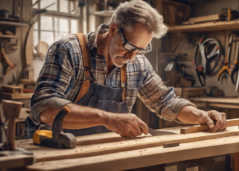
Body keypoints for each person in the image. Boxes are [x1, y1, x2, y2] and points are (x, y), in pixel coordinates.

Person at [23, 0, 226, 138]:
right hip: (52, 150)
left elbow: (165, 101)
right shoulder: (69, 50)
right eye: (129, 47)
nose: (131, 57)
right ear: (113, 29)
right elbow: (44, 108)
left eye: (141, 50)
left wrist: (199, 115)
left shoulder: (136, 62)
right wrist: (108, 119)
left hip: (100, 152)